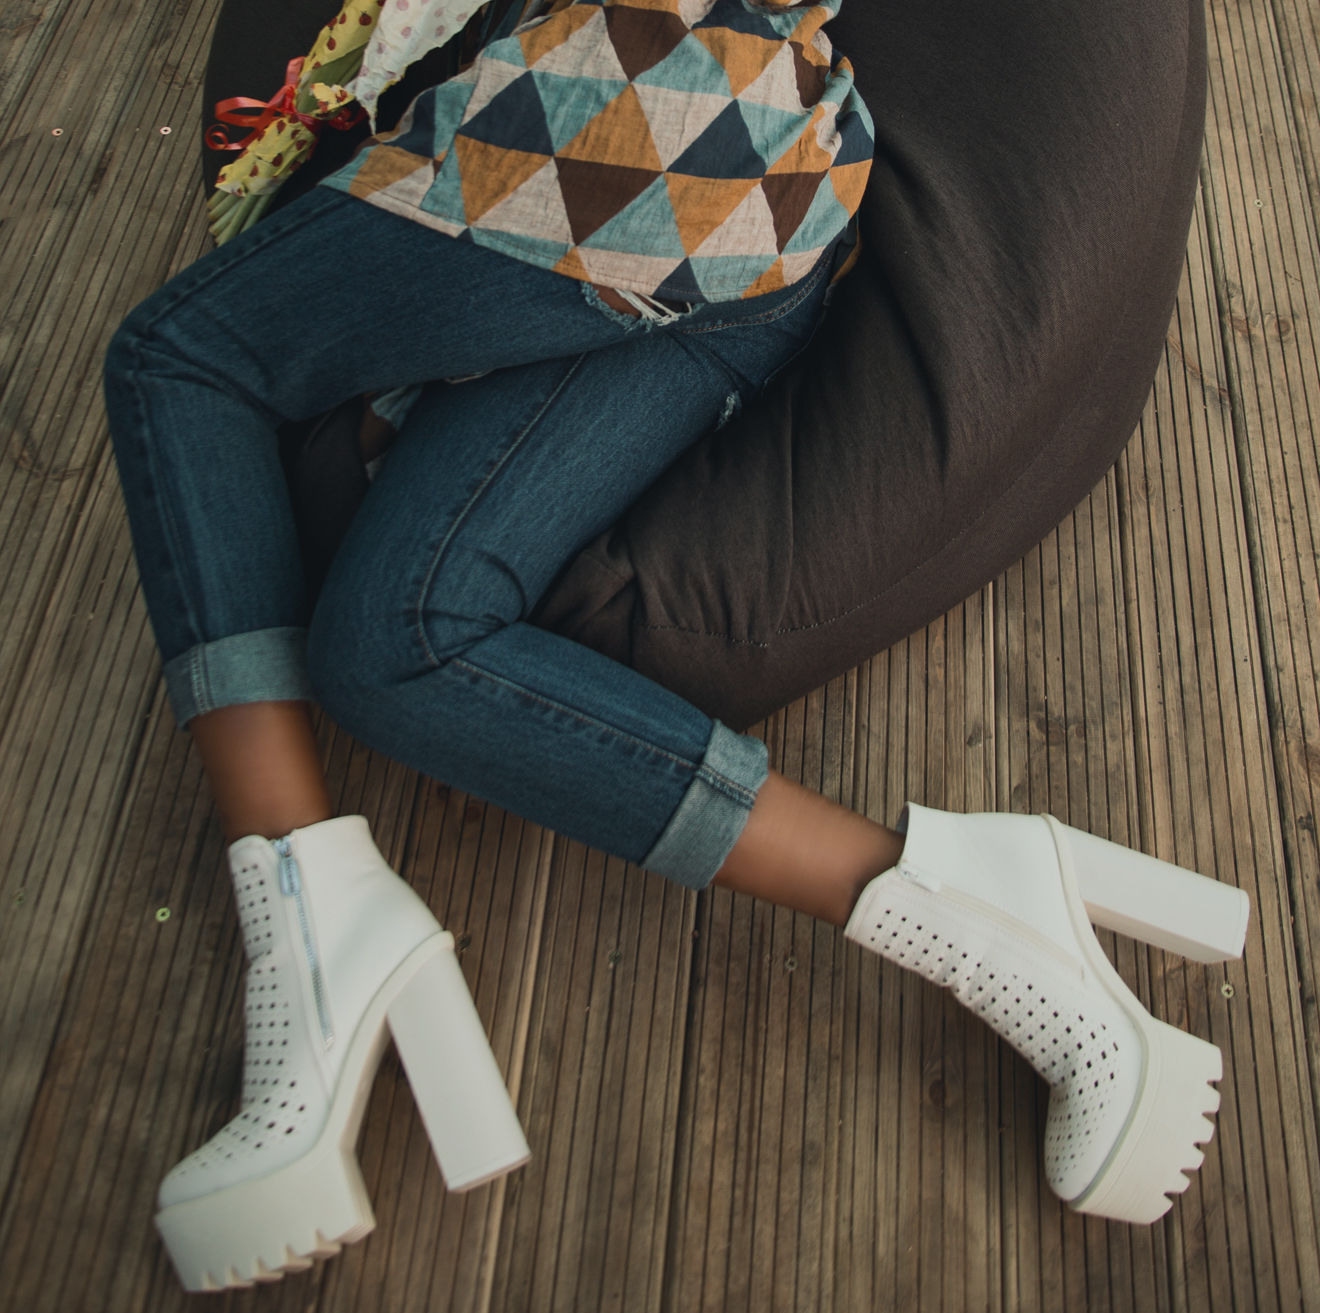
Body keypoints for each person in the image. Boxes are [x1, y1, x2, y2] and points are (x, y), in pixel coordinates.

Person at [103, 0, 1247, 1294]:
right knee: (395, 641)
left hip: (639, 121)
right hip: (764, 208)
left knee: (178, 361)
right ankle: (975, 905)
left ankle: (302, 923)